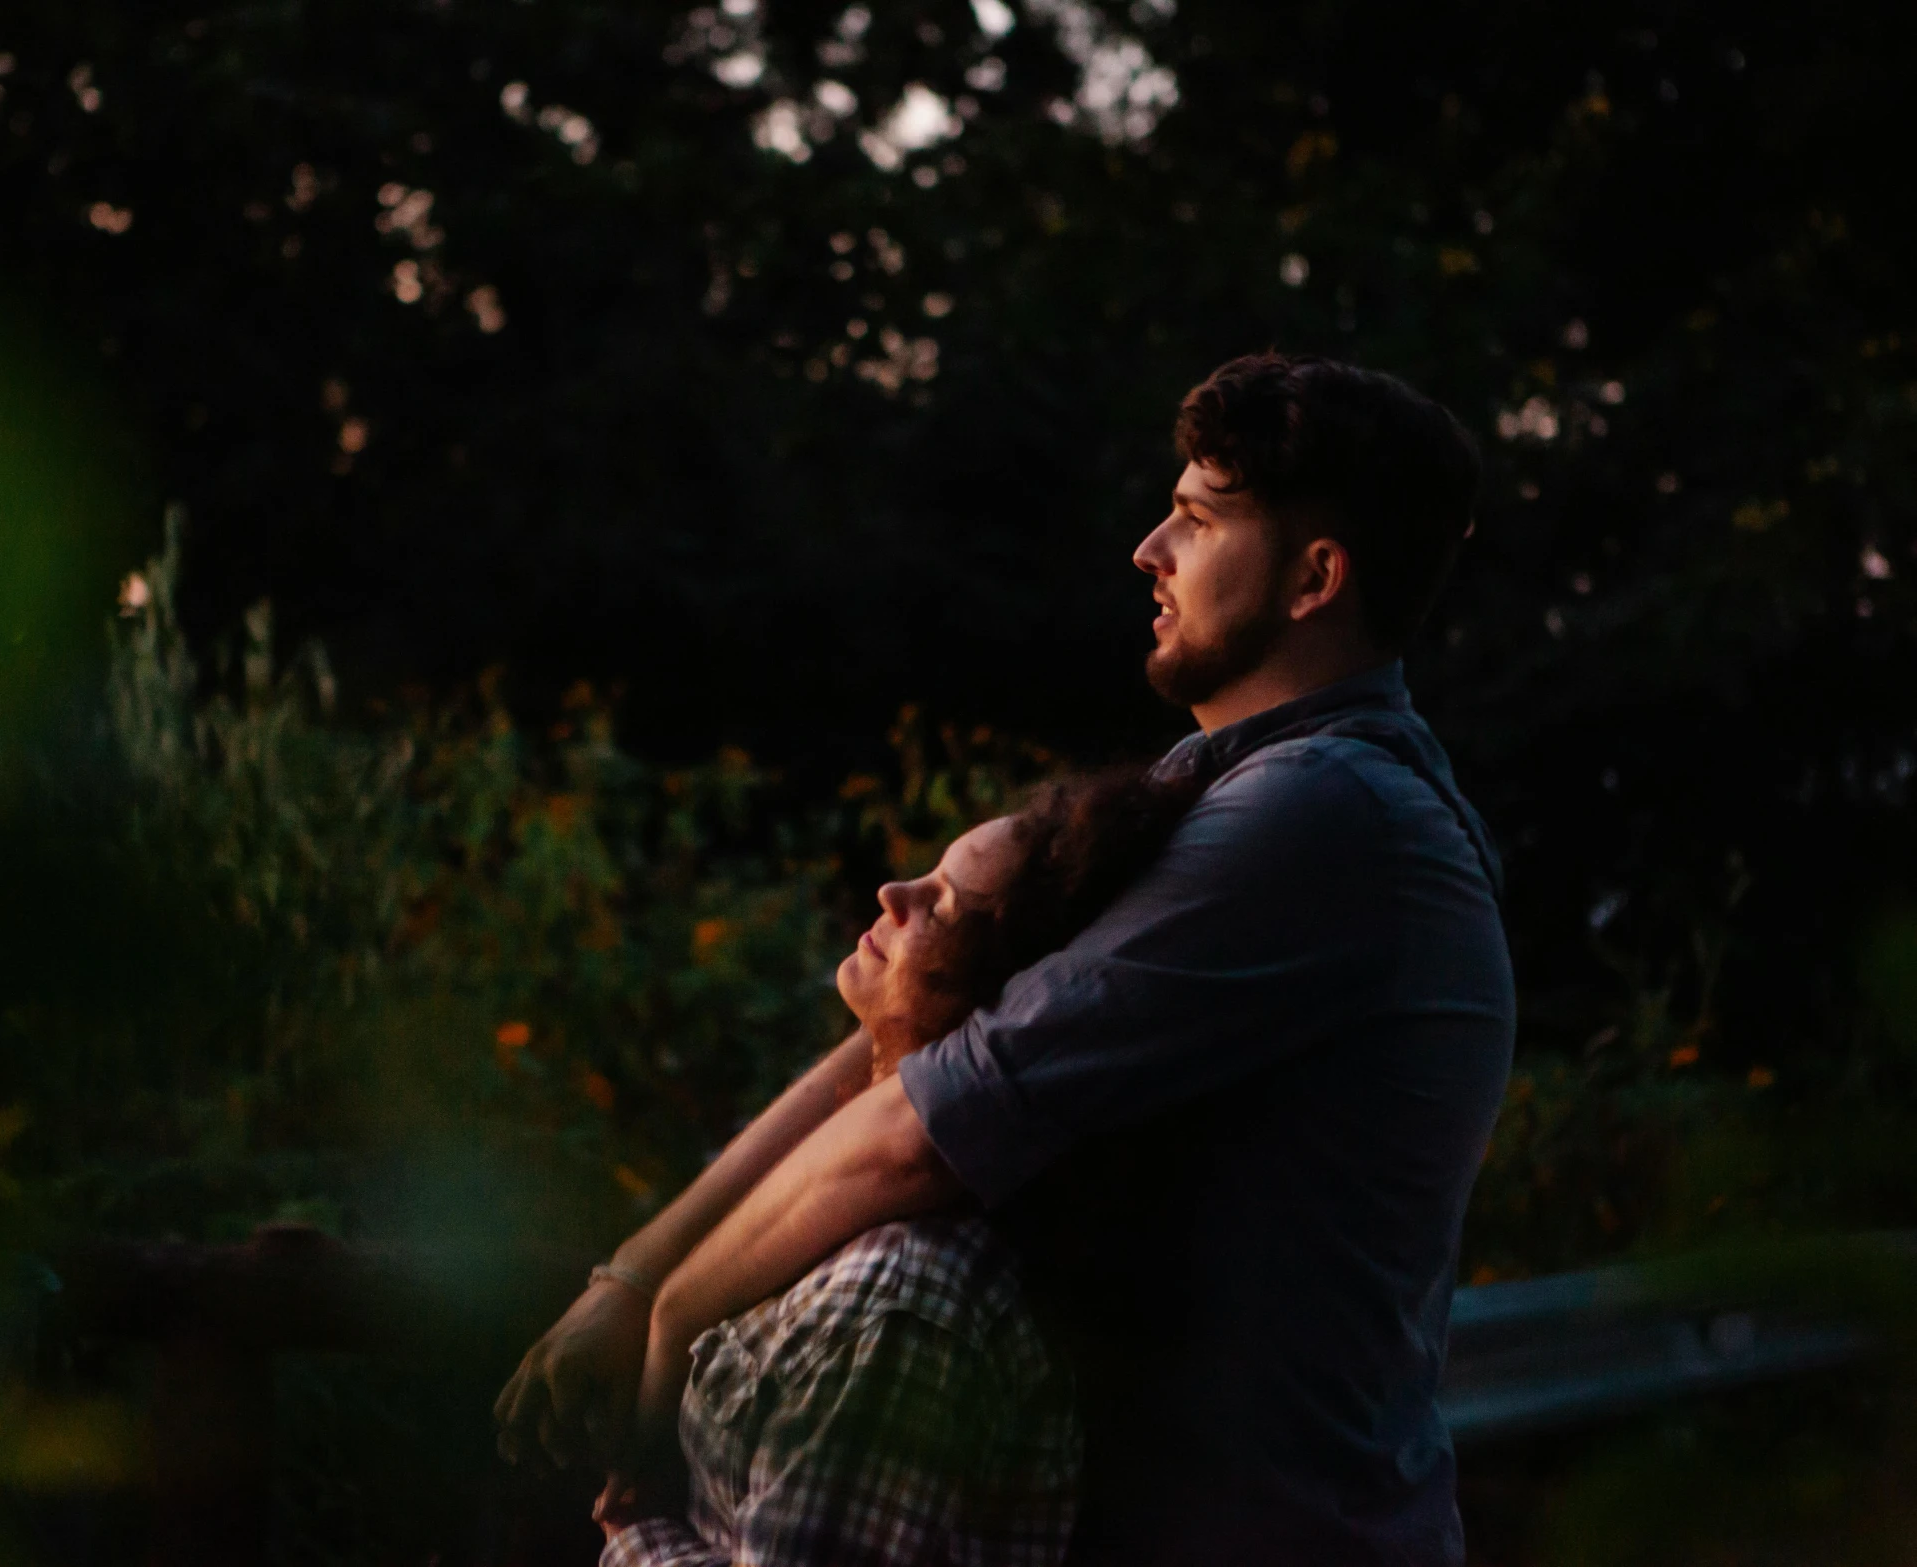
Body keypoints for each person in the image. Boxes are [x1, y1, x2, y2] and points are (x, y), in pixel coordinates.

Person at [498, 353, 1514, 1566]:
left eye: (1195, 517)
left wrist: (669, 1330)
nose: (1148, 548)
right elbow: (875, 1057)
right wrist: (633, 1275)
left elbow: (929, 1118)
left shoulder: (1325, 814)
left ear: (1314, 577)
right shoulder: (1217, 787)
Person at [596, 769, 1203, 1567]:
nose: (892, 891)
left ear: (1007, 1011)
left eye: (943, 905)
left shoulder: (903, 1302)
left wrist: (636, 1534)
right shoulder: (851, 1223)